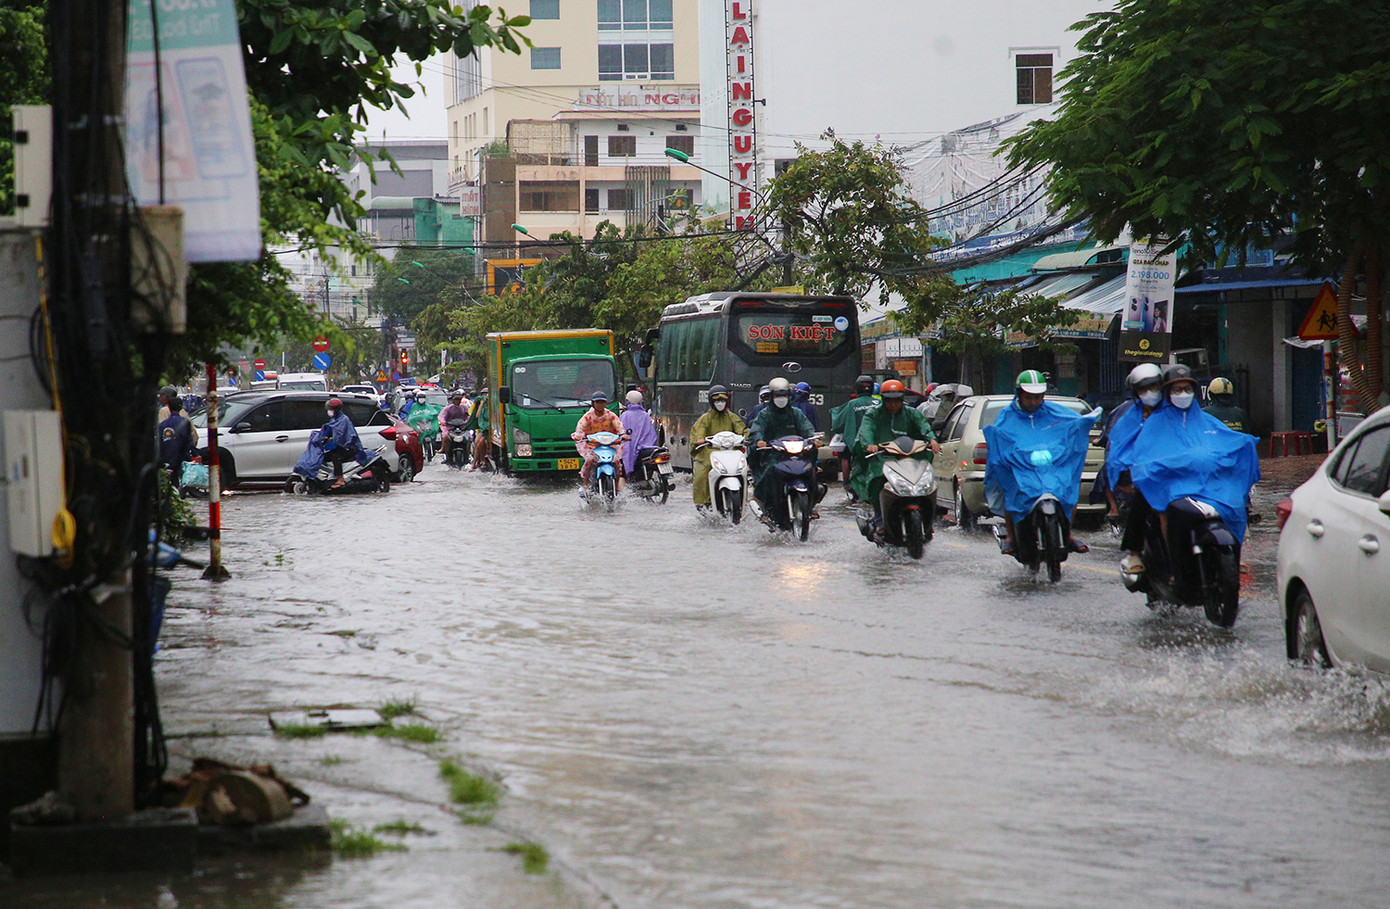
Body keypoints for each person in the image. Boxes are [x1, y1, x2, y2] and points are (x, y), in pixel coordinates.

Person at [1110, 363, 1260, 573]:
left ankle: (1233, 553)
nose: (1182, 394)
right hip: (1167, 480)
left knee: (1235, 500)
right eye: (1176, 390)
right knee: (1151, 504)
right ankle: (1168, 563)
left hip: (1203, 480)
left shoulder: (1203, 418)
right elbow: (1130, 448)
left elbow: (1224, 440)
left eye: (1187, 389)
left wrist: (1244, 446)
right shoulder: (1147, 419)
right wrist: (1134, 471)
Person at [984, 370, 1096, 555]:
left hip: (1050, 468)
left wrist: (1086, 422)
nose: (1034, 402)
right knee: (1010, 490)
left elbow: (1073, 422)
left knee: (1069, 490)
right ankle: (1011, 537)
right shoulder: (1006, 416)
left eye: (1038, 397)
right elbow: (999, 438)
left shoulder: (1053, 411)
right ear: (1019, 394)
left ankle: (1067, 534)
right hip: (1020, 468)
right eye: (1029, 397)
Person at [851, 379, 939, 529]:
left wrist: (932, 440)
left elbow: (923, 425)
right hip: (883, 458)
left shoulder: (911, 413)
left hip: (910, 456)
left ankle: (929, 519)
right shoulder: (873, 414)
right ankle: (879, 518)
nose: (893, 405)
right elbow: (866, 429)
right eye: (889, 401)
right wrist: (870, 444)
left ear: (902, 400)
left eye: (897, 401)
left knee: (927, 480)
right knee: (877, 479)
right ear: (883, 400)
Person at [747, 377, 817, 515]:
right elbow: (757, 430)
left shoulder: (796, 413)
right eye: (778, 396)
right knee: (769, 473)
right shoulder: (765, 414)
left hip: (796, 455)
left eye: (784, 395)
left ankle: (810, 504)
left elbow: (807, 429)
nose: (781, 399)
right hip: (772, 455)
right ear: (772, 397)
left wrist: (812, 439)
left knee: (812, 472)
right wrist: (759, 441)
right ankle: (768, 507)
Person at [689, 385, 747, 509]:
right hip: (709, 454)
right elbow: (699, 432)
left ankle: (744, 501)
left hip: (730, 453)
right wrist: (699, 440)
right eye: (717, 401)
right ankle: (703, 502)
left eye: (722, 400)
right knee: (702, 473)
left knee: (743, 471)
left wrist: (747, 437)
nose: (720, 403)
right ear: (711, 402)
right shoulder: (705, 418)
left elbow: (741, 429)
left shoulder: (732, 417)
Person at [830, 375, 878, 495]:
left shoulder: (852, 404)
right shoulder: (880, 403)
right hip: (878, 444)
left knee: (844, 456)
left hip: (856, 445)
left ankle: (848, 484)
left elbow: (838, 423)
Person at [571, 391, 626, 492]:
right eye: (597, 402)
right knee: (590, 460)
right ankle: (585, 485)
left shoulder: (610, 415)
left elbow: (618, 425)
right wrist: (579, 435)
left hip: (609, 445)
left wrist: (623, 434)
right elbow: (581, 426)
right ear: (593, 403)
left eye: (602, 402)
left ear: (606, 403)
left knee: (617, 462)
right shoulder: (588, 416)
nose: (600, 405)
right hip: (593, 446)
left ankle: (617, 485)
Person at [320, 398, 364, 488]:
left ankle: (340, 479)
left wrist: (331, 440)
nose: (329, 411)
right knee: (325, 456)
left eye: (331, 409)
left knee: (335, 457)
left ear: (335, 410)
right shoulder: (334, 419)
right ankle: (330, 478)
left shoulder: (344, 420)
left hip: (349, 447)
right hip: (341, 446)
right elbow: (330, 429)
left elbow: (342, 435)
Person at [157, 390, 197, 483]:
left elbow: (160, 441)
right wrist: (194, 454)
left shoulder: (163, 422)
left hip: (167, 457)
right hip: (182, 457)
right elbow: (190, 439)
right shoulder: (185, 420)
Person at [619, 390, 659, 478]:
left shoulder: (625, 415)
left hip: (631, 447)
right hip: (648, 446)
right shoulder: (645, 415)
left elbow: (620, 430)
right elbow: (652, 434)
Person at [438, 391, 470, 460]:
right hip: (449, 428)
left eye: (459, 399)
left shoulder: (464, 407)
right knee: (445, 436)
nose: (457, 401)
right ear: (453, 399)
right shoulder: (448, 408)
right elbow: (442, 416)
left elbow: (468, 416)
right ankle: (443, 449)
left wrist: (468, 421)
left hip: (462, 428)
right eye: (456, 399)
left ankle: (469, 451)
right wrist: (443, 422)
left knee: (469, 436)